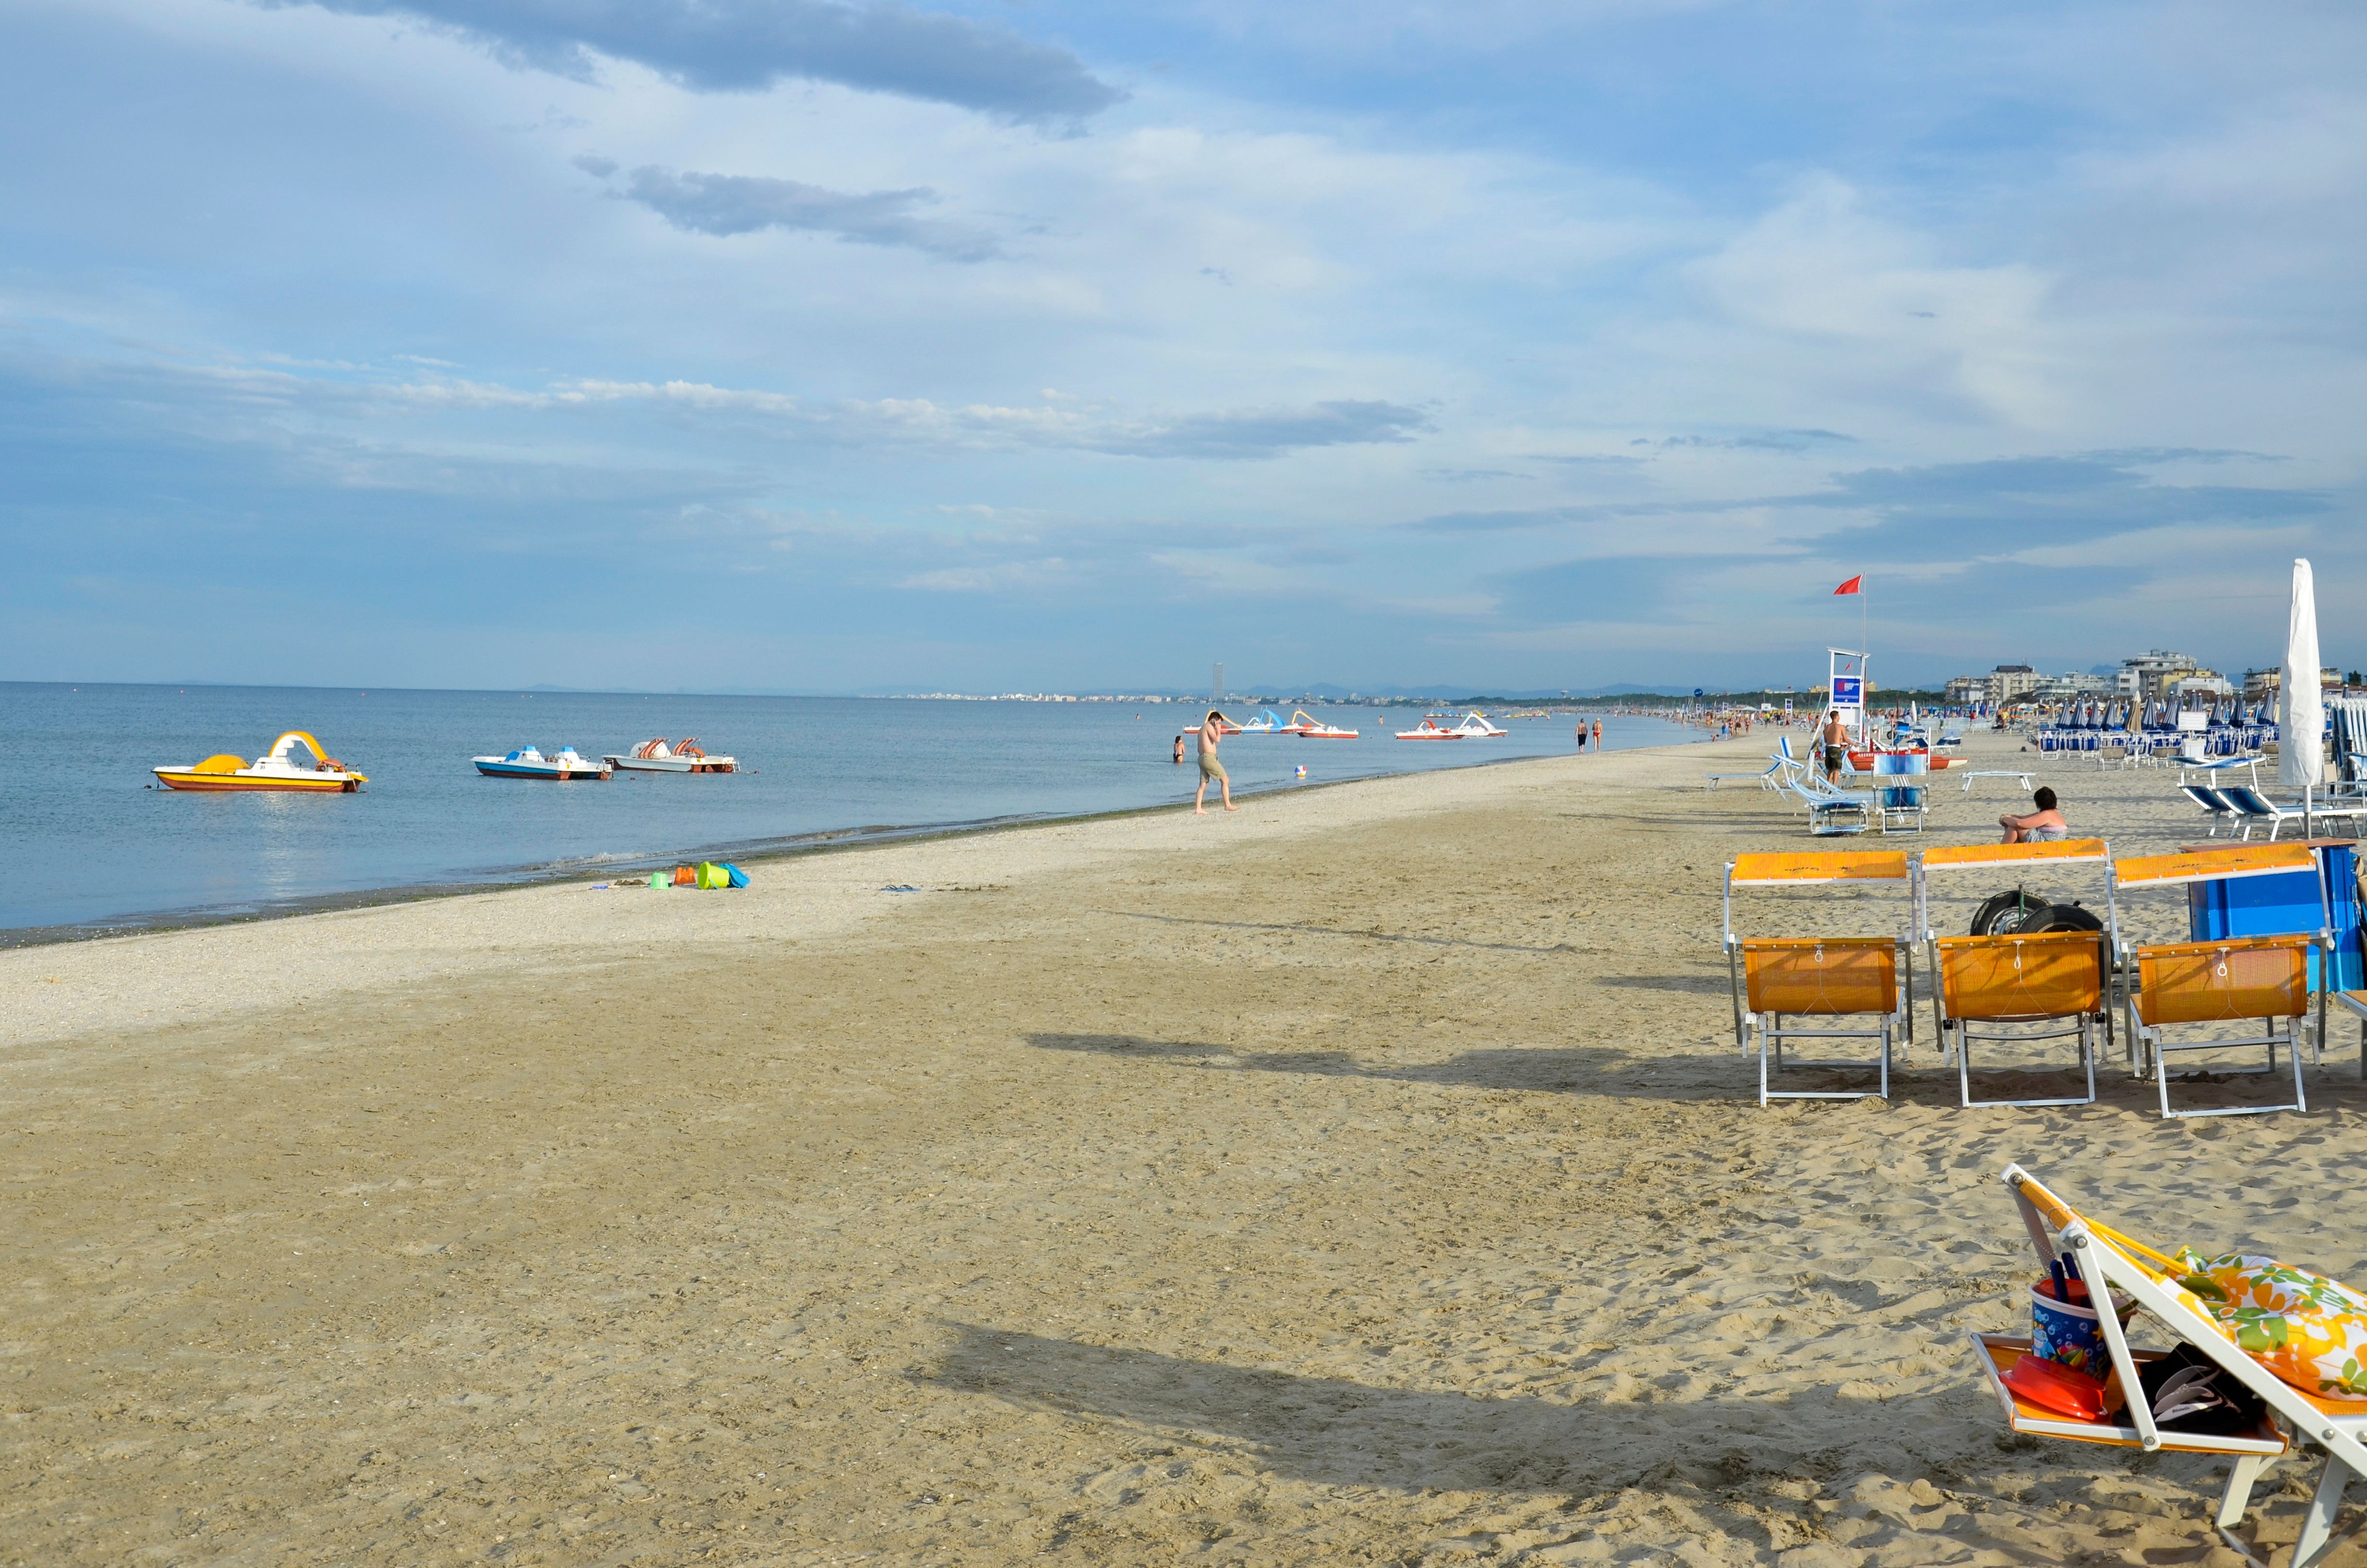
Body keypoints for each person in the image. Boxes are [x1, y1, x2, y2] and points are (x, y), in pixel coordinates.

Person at [1195, 710, 1238, 814]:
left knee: (1203, 784)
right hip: (1208, 758)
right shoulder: (1209, 727)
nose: (1219, 725)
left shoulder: (1202, 729)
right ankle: (1227, 805)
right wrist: (1218, 730)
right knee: (1225, 780)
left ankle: (1198, 808)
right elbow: (1218, 740)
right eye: (1218, 723)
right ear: (1214, 720)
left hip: (1203, 758)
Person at [2000, 787, 2069, 844]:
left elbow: (2020, 823)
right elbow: (2022, 818)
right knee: (2013, 824)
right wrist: (2010, 817)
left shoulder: (2047, 815)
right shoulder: (2052, 814)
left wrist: (2004, 819)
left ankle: (2001, 851)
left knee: (2014, 827)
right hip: (2049, 843)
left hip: (2046, 844)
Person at [1820, 710, 1849, 783]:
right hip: (1836, 748)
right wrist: (1854, 744)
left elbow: (1826, 741)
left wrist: (1838, 740)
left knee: (1830, 769)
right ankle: (1834, 787)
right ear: (1836, 717)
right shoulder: (1840, 727)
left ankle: (1828, 785)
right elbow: (1846, 739)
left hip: (1828, 748)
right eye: (1839, 716)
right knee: (1836, 769)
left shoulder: (1827, 728)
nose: (1840, 718)